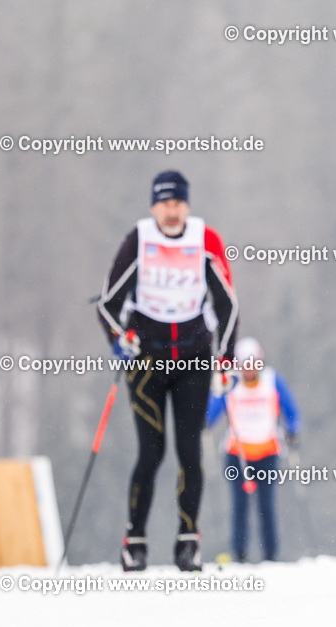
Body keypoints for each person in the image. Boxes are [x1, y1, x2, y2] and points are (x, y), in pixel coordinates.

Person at [97, 170, 239, 572]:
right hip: (148, 360)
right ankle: (135, 540)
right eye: (164, 204)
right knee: (151, 451)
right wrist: (119, 339)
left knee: (189, 451)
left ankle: (188, 540)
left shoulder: (205, 239)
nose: (171, 211)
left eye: (177, 203)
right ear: (153, 207)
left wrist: (226, 358)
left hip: (194, 358)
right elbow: (108, 304)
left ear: (187, 206)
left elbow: (227, 304)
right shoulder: (139, 239)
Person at [205, 337, 300, 563]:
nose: (249, 369)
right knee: (239, 504)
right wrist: (214, 393)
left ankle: (271, 554)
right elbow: (209, 415)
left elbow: (292, 411)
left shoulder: (272, 380)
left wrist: (293, 430)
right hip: (237, 454)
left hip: (267, 452)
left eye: (253, 363)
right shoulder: (231, 383)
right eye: (244, 364)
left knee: (266, 505)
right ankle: (239, 553)